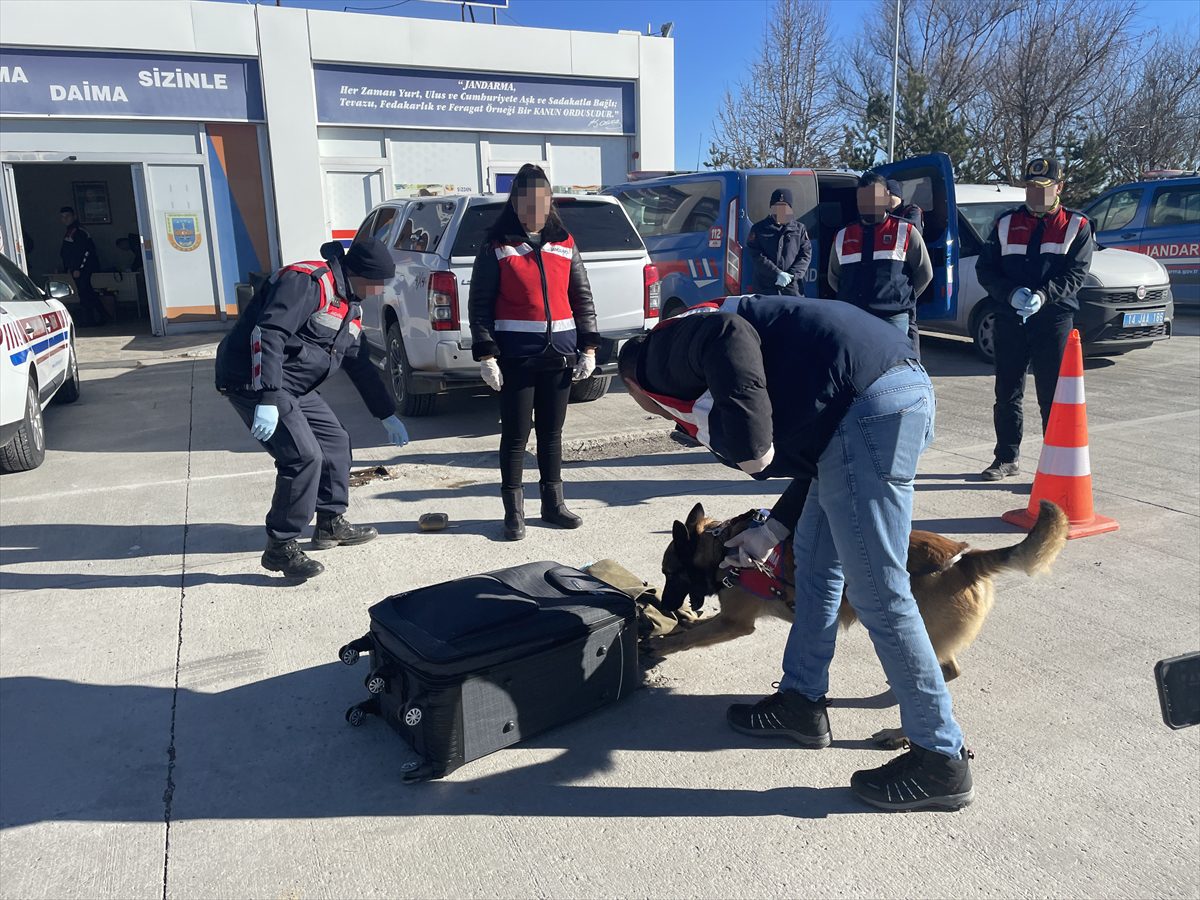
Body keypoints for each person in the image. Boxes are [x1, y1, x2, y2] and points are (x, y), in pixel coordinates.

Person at [617, 295, 973, 812]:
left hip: (872, 405)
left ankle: (940, 758)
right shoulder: (696, 354)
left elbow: (727, 335)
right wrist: (773, 529)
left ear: (631, 385)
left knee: (878, 592)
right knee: (817, 568)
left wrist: (752, 448)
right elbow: (814, 450)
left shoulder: (655, 357)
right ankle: (801, 703)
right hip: (865, 403)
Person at [214, 239, 410, 579]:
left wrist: (386, 412)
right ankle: (280, 546)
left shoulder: (351, 305)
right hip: (254, 379)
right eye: (378, 283)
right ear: (359, 273)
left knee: (335, 442)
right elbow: (269, 334)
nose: (380, 290)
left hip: (294, 385)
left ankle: (330, 523)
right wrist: (269, 397)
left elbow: (358, 362)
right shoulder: (308, 283)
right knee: (303, 456)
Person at [468, 163, 600, 542]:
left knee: (551, 434)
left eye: (542, 202)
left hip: (559, 355)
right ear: (515, 203)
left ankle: (553, 505)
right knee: (515, 435)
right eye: (528, 202)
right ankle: (514, 512)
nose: (536, 210)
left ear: (550, 202)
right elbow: (480, 305)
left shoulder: (564, 242)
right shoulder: (498, 245)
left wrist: (589, 347)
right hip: (516, 357)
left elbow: (582, 297)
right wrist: (487, 356)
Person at [975, 157, 1093, 481]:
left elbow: (1076, 274)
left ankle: (1053, 464)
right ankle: (1006, 457)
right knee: (1007, 391)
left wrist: (1044, 295)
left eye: (1043, 187)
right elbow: (985, 269)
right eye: (1030, 187)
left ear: (1059, 187)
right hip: (1010, 316)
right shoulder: (1006, 223)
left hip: (1053, 318)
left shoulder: (1077, 225)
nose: (1036, 194)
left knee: (1052, 395)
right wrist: (1009, 293)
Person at [829, 172, 932, 345]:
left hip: (892, 318)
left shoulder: (905, 231)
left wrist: (901, 298)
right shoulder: (843, 235)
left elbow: (924, 273)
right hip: (853, 319)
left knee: (894, 361)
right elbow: (834, 277)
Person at [746, 188, 812, 296]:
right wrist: (777, 273)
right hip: (765, 288)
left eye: (784, 206)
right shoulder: (758, 229)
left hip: (792, 289)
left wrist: (792, 276)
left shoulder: (799, 229)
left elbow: (805, 255)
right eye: (777, 206)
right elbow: (756, 255)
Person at [887, 178, 926, 357]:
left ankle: (914, 360)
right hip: (893, 276)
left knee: (910, 324)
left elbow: (910, 227)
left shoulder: (912, 211)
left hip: (908, 273)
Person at [59, 206, 105, 326]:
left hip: (83, 269)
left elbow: (84, 251)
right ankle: (100, 315)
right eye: (62, 217)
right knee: (86, 292)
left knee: (85, 293)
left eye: (67, 216)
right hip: (76, 268)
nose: (65, 219)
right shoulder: (70, 231)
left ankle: (92, 319)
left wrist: (78, 268)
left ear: (74, 217)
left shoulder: (79, 231)